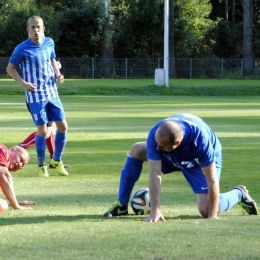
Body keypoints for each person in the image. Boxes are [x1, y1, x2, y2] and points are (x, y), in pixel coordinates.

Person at [103, 113, 258, 220]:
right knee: (137, 150)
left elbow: (211, 180)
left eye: (161, 146)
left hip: (196, 161)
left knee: (205, 209)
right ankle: (121, 204)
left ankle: (239, 194)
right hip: (173, 154)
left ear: (176, 143)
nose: (156, 149)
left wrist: (212, 216)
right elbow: (154, 172)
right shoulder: (157, 136)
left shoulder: (201, 143)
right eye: (156, 143)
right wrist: (155, 210)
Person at [6, 15, 69, 178]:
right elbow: (10, 68)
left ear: (43, 28)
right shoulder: (21, 48)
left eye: (38, 27)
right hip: (35, 96)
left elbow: (52, 59)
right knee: (43, 130)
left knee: (62, 126)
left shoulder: (49, 42)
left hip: (52, 93)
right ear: (28, 30)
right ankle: (42, 165)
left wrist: (58, 73)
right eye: (32, 27)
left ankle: (57, 160)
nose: (36, 30)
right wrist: (23, 83)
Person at [0, 144, 36, 213]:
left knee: (3, 204)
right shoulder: (2, 150)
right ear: (12, 150)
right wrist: (16, 205)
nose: (20, 165)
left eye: (22, 165)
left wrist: (13, 202)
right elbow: (5, 175)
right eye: (20, 159)